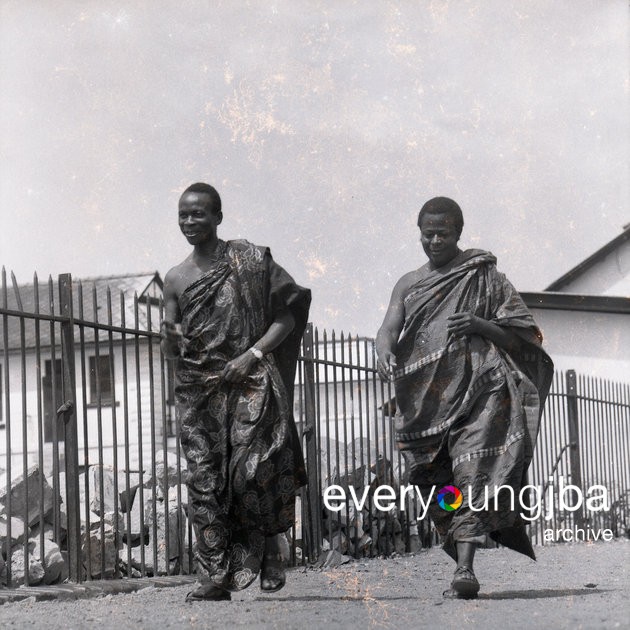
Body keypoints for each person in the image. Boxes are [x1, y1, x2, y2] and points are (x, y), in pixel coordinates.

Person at [376, 197, 553, 599]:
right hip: (425, 404)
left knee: (472, 473)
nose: (435, 241)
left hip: (481, 393)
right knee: (437, 485)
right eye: (428, 234)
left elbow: (522, 338)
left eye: (443, 233)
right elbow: (388, 328)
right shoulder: (408, 283)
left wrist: (479, 324)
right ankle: (460, 552)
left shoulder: (484, 276)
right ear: (419, 233)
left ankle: (466, 568)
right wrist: (383, 350)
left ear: (458, 233)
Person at [161, 182, 310, 602]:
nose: (190, 221)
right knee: (204, 481)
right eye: (183, 214)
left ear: (218, 217)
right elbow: (171, 344)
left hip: (249, 381)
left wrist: (252, 355)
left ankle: (270, 548)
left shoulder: (250, 261)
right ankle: (213, 577)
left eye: (198, 213)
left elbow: (285, 320)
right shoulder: (174, 278)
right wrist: (168, 338)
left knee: (250, 473)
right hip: (199, 391)